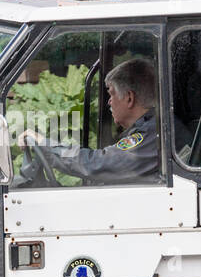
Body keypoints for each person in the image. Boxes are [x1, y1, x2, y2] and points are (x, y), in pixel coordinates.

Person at [17, 57, 159, 183]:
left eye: (112, 94)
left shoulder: (152, 135)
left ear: (129, 98)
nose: (109, 102)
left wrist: (45, 144)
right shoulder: (152, 129)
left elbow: (98, 164)